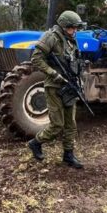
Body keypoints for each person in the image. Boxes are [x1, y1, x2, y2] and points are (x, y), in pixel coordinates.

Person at [27, 10, 86, 169]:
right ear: (64, 26)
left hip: (70, 86)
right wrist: (53, 74)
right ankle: (35, 143)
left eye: (76, 28)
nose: (75, 31)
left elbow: (76, 61)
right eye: (72, 28)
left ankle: (68, 155)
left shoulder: (71, 40)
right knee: (57, 125)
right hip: (54, 87)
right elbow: (36, 59)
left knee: (71, 124)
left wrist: (79, 80)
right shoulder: (51, 37)